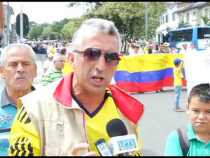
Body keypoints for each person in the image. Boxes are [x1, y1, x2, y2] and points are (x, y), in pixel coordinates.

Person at [8, 18, 144, 156]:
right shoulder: (34, 108)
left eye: (111, 57)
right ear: (72, 59)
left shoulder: (126, 111)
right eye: (91, 54)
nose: (101, 66)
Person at [0, 43, 37, 156]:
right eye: (13, 64)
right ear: (1, 72)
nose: (20, 69)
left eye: (26, 64)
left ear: (35, 70)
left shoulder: (51, 106)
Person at [164, 83, 210, 156]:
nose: (201, 117)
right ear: (187, 108)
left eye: (208, 111)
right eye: (196, 111)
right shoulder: (178, 139)